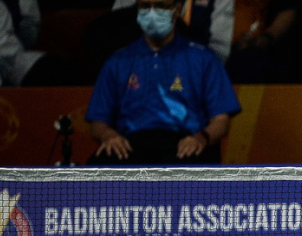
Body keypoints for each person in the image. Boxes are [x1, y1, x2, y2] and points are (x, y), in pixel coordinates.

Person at [84, 0, 241, 166]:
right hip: (131, 146)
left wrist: (201, 138)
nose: (152, 13)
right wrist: (109, 136)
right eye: (145, 7)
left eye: (161, 6)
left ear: (177, 9)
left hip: (183, 143)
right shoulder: (117, 61)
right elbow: (97, 122)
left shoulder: (205, 59)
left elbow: (221, 121)